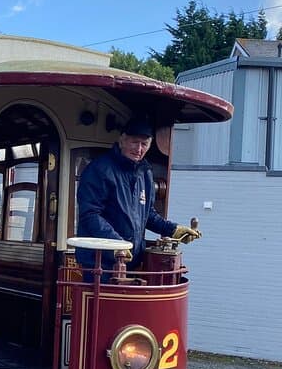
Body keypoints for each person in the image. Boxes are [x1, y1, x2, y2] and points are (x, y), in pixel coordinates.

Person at [75, 115, 201, 275]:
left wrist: (173, 230)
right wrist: (117, 245)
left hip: (130, 263)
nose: (139, 149)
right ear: (122, 140)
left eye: (144, 144)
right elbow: (90, 215)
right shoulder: (99, 170)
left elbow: (147, 215)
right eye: (134, 142)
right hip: (99, 265)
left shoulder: (145, 173)